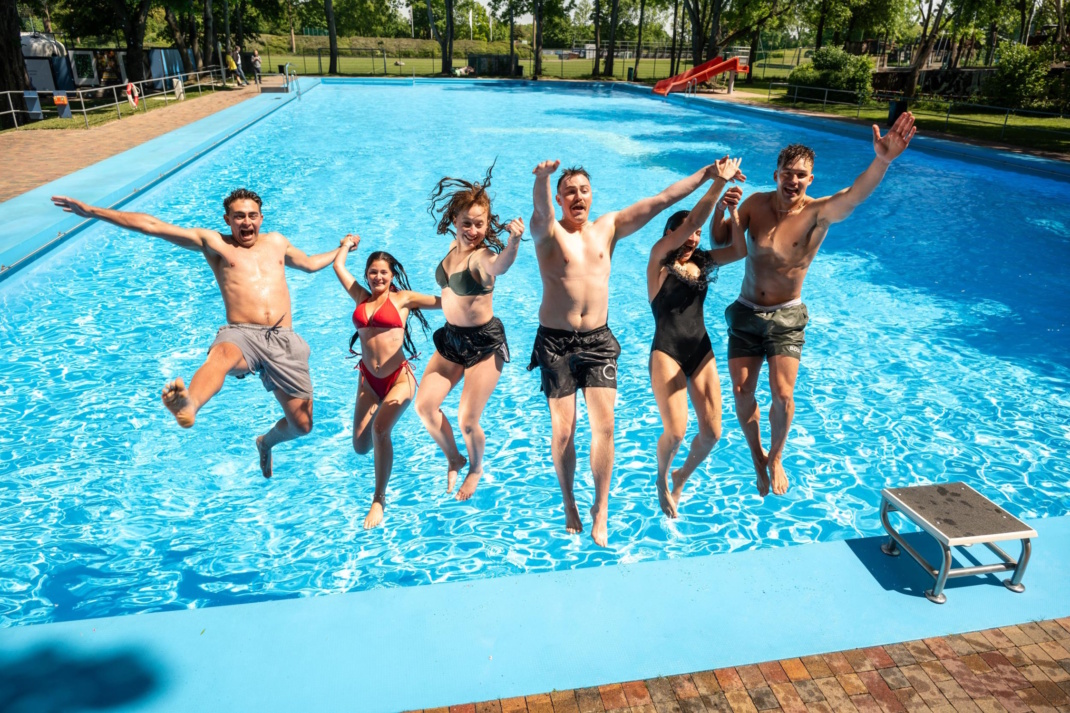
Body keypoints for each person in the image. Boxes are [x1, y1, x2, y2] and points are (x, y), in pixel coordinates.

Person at [51, 190, 339, 478]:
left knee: (302, 426)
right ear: (227, 220)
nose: (246, 222)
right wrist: (92, 211)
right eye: (239, 216)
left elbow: (310, 264)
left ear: (261, 218)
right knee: (222, 356)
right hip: (242, 334)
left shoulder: (277, 242)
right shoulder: (214, 242)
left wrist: (343, 249)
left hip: (283, 338)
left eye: (252, 215)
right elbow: (153, 226)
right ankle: (189, 405)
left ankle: (265, 442)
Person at [528, 158, 741, 546]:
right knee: (563, 432)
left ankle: (601, 508)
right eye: (569, 191)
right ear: (560, 198)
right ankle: (569, 501)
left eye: (583, 190)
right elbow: (540, 211)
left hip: (597, 341)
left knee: (604, 427)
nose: (578, 196)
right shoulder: (548, 232)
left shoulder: (608, 228)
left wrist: (708, 175)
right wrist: (543, 178)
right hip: (556, 342)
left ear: (591, 196)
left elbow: (662, 200)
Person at [725, 112, 917, 497]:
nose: (793, 180)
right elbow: (722, 244)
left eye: (801, 175)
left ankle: (776, 457)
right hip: (746, 309)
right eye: (787, 172)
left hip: (786, 316)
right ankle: (757, 456)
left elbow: (853, 195)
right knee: (742, 392)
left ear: (810, 179)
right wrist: (724, 208)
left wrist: (882, 161)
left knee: (782, 394)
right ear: (776, 173)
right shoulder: (754, 205)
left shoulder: (818, 213)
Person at [414, 167, 526, 501]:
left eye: (480, 223)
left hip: (483, 344)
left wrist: (515, 241)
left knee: (466, 420)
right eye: (467, 223)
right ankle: (455, 457)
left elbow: (500, 265)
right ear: (454, 220)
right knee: (425, 407)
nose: (474, 230)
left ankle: (476, 468)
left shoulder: (482, 258)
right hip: (451, 338)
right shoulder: (453, 247)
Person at [647, 157, 746, 518]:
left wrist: (731, 212)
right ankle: (660, 477)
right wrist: (716, 184)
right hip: (667, 352)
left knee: (713, 432)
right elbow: (689, 221)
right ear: (668, 237)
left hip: (701, 349)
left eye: (697, 234)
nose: (692, 237)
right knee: (675, 432)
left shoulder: (702, 261)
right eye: (686, 233)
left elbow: (739, 251)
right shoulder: (659, 262)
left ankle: (681, 475)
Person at [333, 235, 441, 529]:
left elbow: (444, 303)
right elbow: (338, 267)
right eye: (372, 271)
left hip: (399, 379)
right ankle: (384, 451)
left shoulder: (403, 299)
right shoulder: (360, 297)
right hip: (368, 380)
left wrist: (468, 289)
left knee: (380, 430)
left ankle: (379, 499)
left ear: (392, 275)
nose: (378, 276)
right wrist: (345, 245)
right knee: (360, 446)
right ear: (367, 274)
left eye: (384, 272)